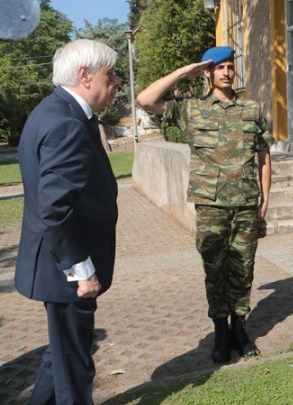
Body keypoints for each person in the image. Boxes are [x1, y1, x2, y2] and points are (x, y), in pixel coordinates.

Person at [136, 46, 273, 363]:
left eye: (230, 67)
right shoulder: (193, 110)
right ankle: (221, 333)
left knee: (243, 269)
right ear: (209, 73)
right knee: (215, 270)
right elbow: (145, 99)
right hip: (211, 205)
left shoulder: (251, 110)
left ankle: (241, 329)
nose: (226, 72)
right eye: (220, 67)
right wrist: (185, 72)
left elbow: (264, 158)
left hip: (245, 204)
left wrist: (265, 201)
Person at [15, 39, 121, 404]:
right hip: (67, 269)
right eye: (111, 74)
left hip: (57, 263)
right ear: (85, 75)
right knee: (74, 367)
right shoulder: (65, 122)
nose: (117, 82)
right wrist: (81, 269)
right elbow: (55, 207)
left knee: (61, 356)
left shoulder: (53, 111)